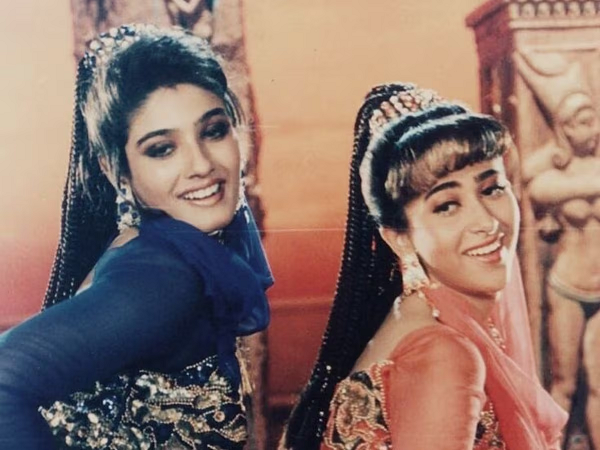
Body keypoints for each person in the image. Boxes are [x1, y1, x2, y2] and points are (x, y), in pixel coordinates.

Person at [0, 24, 272, 450]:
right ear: (116, 171)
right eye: (162, 149)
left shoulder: (148, 249)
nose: (202, 164)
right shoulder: (164, 276)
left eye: (214, 130)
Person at [280, 83, 567, 450]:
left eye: (492, 189)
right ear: (400, 238)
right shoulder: (442, 353)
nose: (486, 221)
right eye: (447, 206)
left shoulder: (416, 318)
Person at [515, 51, 600, 448]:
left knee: (599, 383)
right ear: (563, 127)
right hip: (568, 285)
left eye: (592, 119)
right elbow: (536, 188)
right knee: (564, 384)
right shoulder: (554, 174)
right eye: (581, 122)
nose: (591, 128)